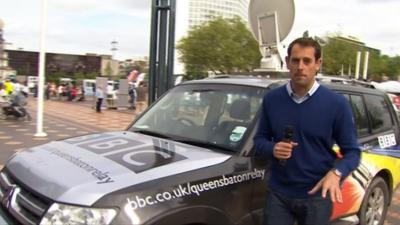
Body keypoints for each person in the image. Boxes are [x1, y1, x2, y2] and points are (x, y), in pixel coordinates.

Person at [253, 37, 360, 225]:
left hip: (317, 196)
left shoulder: (336, 104)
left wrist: (336, 173)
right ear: (287, 63)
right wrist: (273, 149)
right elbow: (259, 140)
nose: (300, 66)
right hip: (278, 195)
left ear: (318, 64)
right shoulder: (272, 99)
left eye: (307, 61)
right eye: (295, 60)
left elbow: (353, 152)